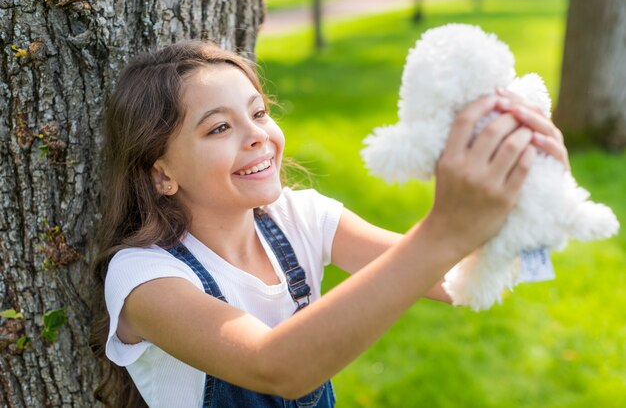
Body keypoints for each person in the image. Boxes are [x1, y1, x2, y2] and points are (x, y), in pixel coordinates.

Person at [89, 40, 569, 408]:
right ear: (162, 174)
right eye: (219, 127)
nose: (257, 136)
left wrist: (534, 199)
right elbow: (276, 367)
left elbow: (450, 280)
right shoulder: (143, 278)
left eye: (258, 113)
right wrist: (442, 230)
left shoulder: (299, 217)